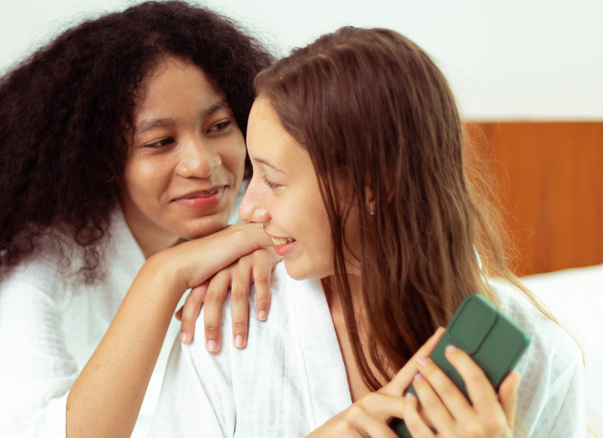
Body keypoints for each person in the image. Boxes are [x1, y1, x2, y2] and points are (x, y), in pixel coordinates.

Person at [0, 2, 275, 437]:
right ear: (103, 159)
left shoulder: (250, 223)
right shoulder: (39, 264)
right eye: (159, 142)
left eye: (218, 126)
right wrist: (162, 275)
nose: (203, 162)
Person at [147, 26, 586, 437]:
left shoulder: (539, 361)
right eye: (252, 174)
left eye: (274, 181)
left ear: (375, 187)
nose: (251, 208)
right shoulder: (228, 324)